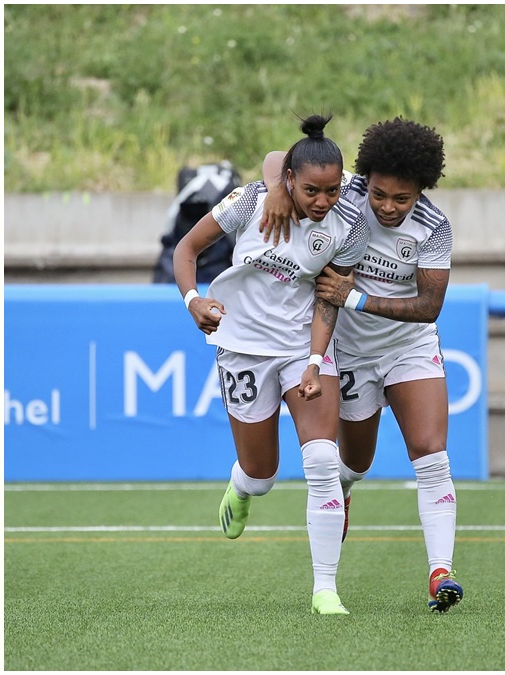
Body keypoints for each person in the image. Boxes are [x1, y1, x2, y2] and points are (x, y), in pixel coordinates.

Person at [258, 117, 462, 613]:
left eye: (402, 199)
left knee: (431, 455)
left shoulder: (434, 229)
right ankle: (345, 490)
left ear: (421, 191)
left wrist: (356, 298)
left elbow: (429, 306)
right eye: (379, 195)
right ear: (365, 180)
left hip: (408, 347)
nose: (388, 207)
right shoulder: (341, 192)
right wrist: (275, 191)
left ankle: (441, 574)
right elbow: (274, 162)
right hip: (346, 352)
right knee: (356, 462)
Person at [173, 114, 368, 615]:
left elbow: (329, 298)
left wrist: (316, 360)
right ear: (289, 183)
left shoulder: (350, 225)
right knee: (263, 474)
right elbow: (186, 249)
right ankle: (241, 487)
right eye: (310, 191)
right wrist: (194, 300)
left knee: (324, 460)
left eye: (331, 191)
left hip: (303, 347)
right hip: (241, 347)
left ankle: (325, 588)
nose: (322, 202)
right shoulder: (250, 203)